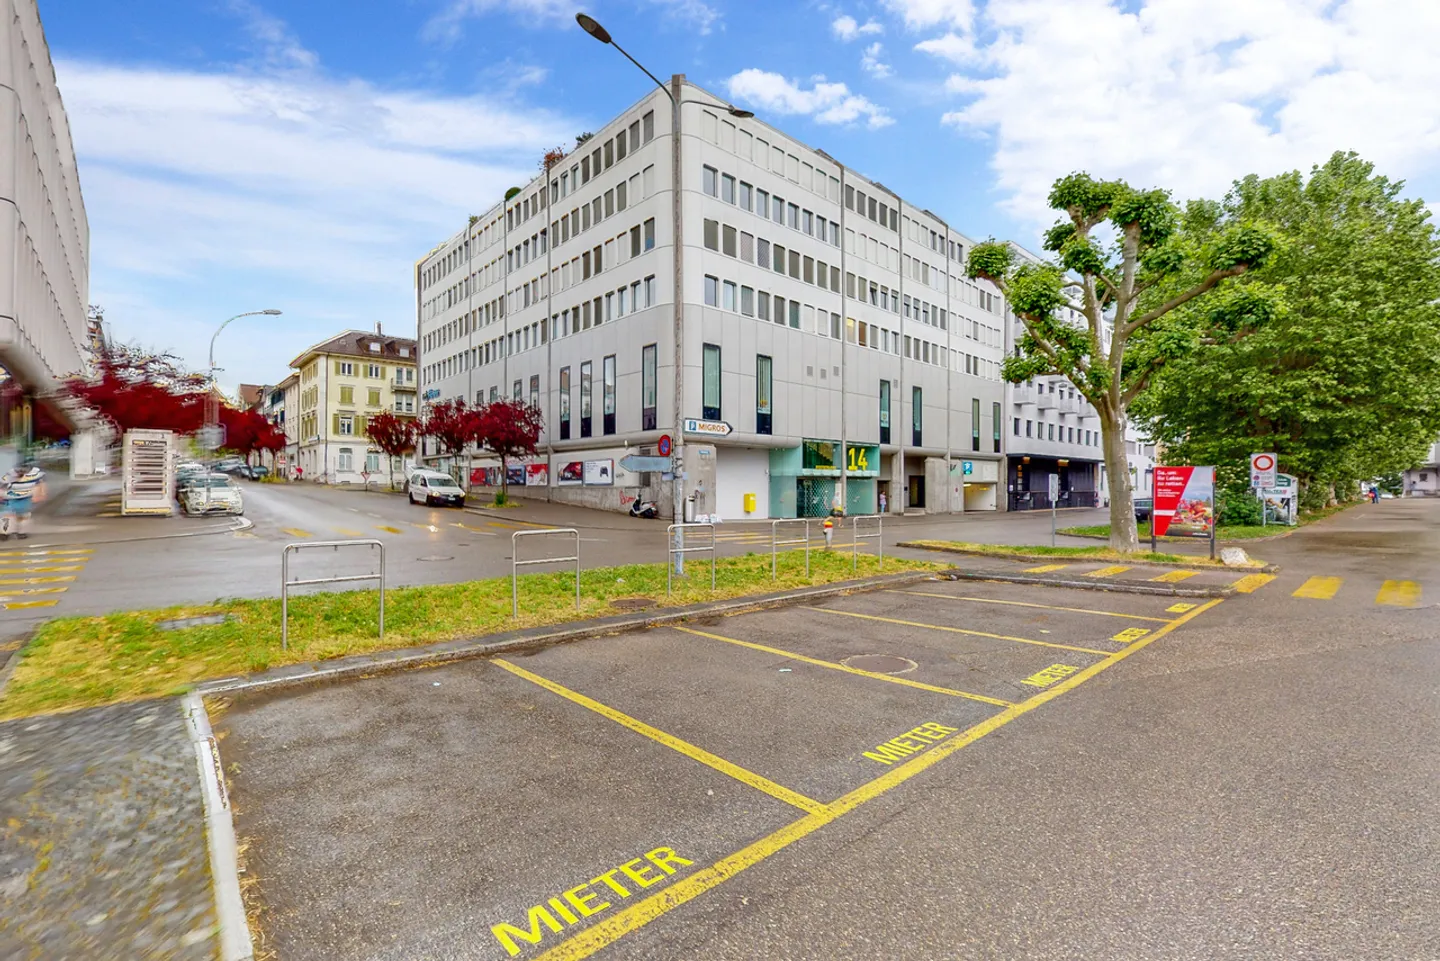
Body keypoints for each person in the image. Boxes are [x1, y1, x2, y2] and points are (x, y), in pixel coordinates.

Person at [1, 461, 46, 541]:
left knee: (23, 516)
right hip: (10, 498)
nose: (20, 472)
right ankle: (5, 533)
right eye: (19, 470)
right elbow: (2, 485)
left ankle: (21, 533)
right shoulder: (10, 475)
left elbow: (40, 485)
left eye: (23, 470)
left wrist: (40, 494)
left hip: (26, 497)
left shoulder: (36, 475)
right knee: (7, 516)